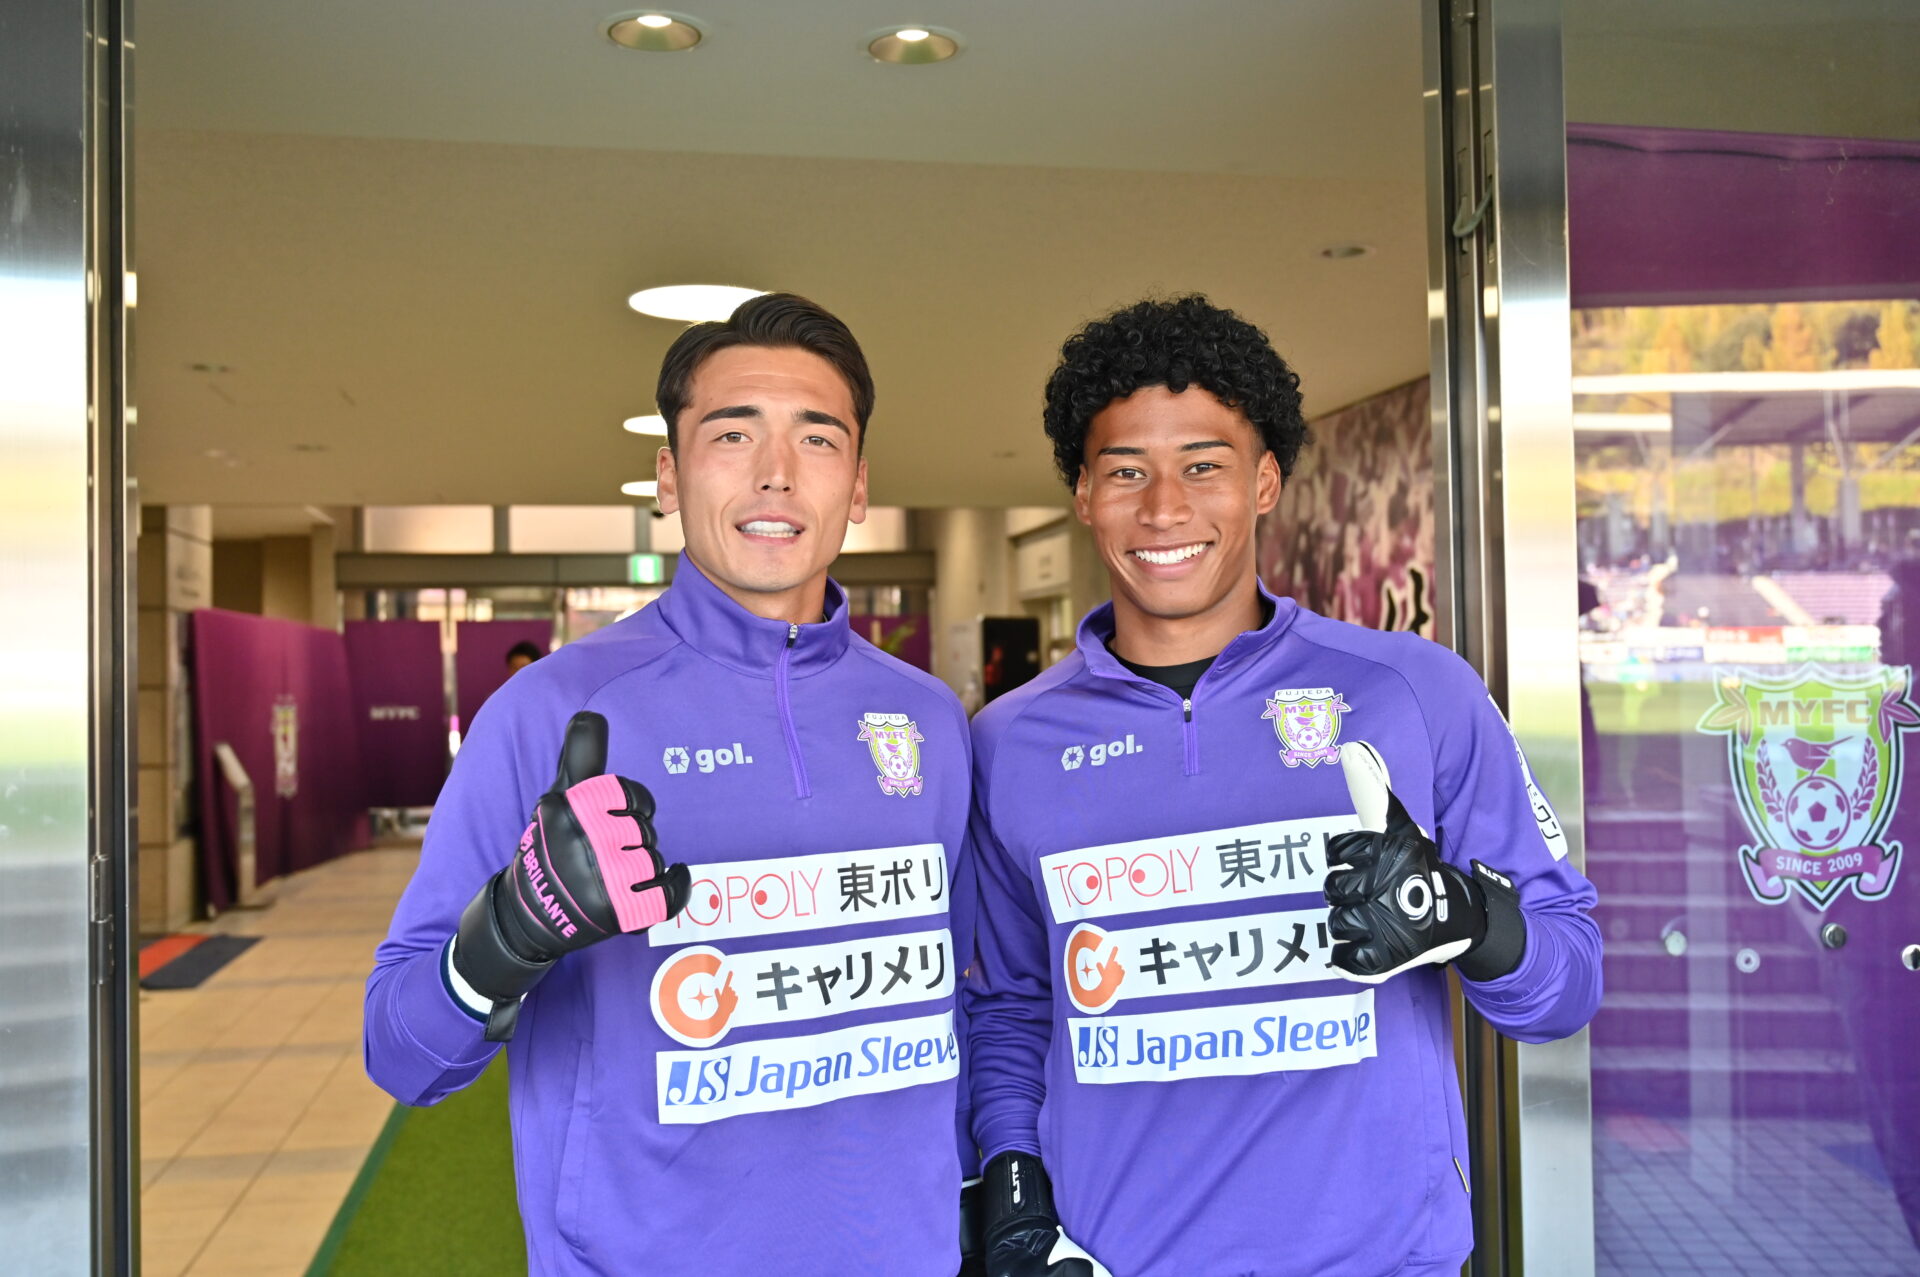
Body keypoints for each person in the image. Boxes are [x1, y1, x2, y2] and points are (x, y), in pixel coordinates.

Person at [964, 295, 1602, 1277]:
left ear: (1264, 481)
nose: (1164, 508)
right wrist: (1013, 1180)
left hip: (1383, 1259)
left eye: (1203, 466)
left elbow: (1567, 980)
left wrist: (1469, 918)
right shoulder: (1009, 741)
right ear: (1083, 494)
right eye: (1126, 470)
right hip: (1115, 1257)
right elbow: (1010, 1005)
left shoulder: (1414, 690)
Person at [365, 294, 976, 1276]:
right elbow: (401, 1053)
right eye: (733, 433)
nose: (776, 471)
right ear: (668, 475)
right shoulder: (549, 713)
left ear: (859, 484)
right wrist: (505, 936)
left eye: (817, 438)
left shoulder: (931, 720)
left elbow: (970, 1001)